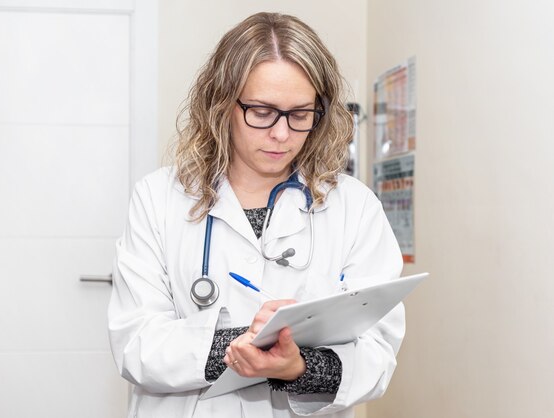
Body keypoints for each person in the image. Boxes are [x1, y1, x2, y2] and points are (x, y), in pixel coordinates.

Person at [108, 12, 404, 418]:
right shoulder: (159, 198)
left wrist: (298, 366)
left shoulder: (354, 207)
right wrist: (246, 344)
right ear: (222, 103)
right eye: (262, 112)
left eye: (300, 114)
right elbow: (135, 343)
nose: (282, 134)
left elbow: (377, 350)